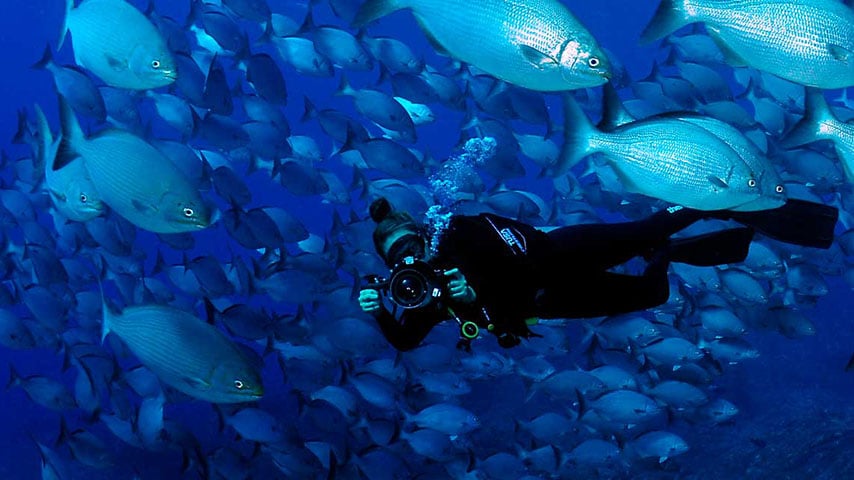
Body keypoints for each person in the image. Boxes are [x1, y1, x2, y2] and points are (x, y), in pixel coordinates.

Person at [358, 197, 838, 351]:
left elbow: (521, 241)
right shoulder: (417, 294)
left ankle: (736, 203)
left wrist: (474, 284)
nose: (408, 261)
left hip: (557, 254)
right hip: (548, 303)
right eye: (397, 257)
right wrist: (382, 311)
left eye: (409, 244)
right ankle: (670, 252)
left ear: (422, 234)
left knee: (650, 226)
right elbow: (404, 341)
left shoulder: (459, 231)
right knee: (652, 293)